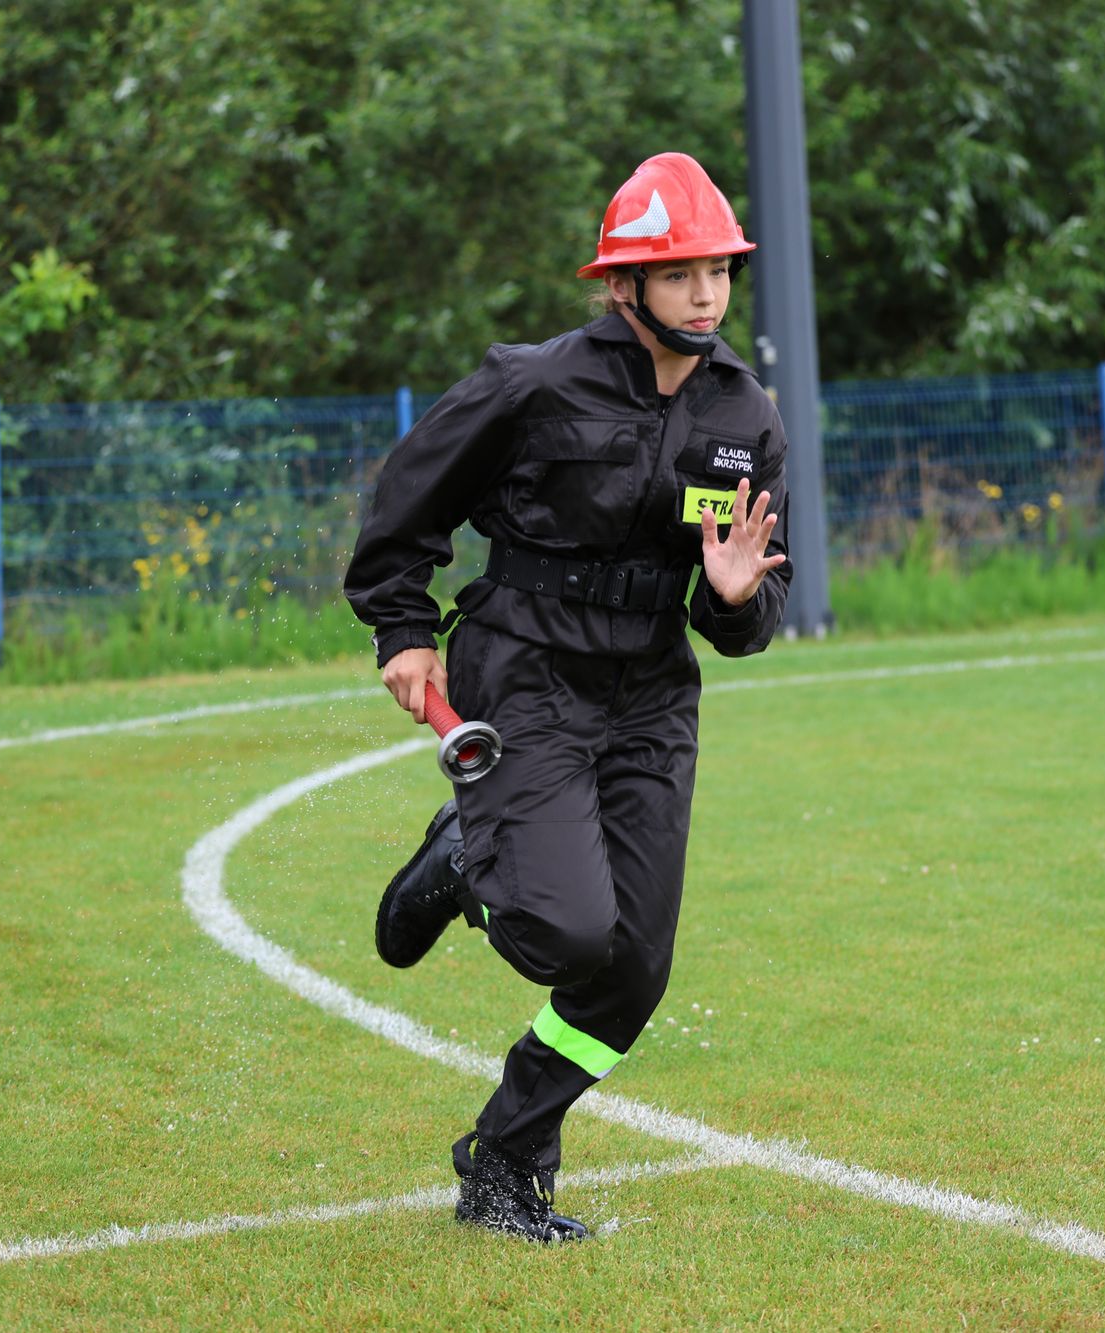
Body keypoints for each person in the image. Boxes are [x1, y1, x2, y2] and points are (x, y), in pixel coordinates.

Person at [342, 151, 792, 1242]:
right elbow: (405, 505)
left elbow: (745, 620)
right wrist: (403, 628)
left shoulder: (745, 418)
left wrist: (732, 600)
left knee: (629, 970)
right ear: (619, 284)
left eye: (717, 273)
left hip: (649, 691)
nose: (703, 295)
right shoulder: (530, 382)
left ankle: (503, 1162)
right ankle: (471, 856)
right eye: (677, 273)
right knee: (564, 930)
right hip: (523, 664)